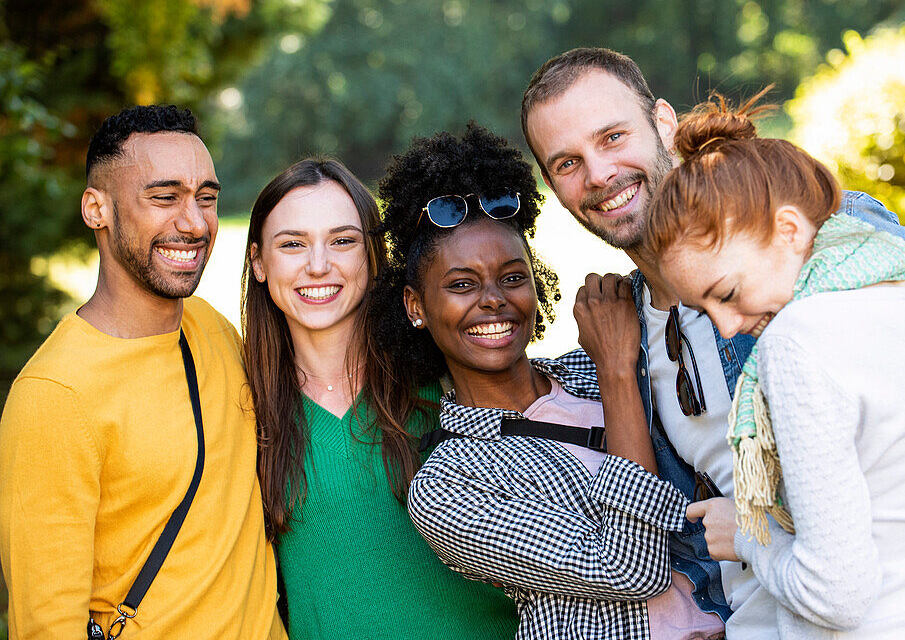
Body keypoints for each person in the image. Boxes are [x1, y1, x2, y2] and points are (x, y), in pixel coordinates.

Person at [520, 48, 905, 631]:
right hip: (761, 616)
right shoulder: (621, 324)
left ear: (661, 121)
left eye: (611, 137)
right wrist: (613, 367)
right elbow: (657, 523)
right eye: (566, 162)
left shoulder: (803, 234)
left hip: (886, 606)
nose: (599, 175)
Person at [645, 93, 905, 637]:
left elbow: (834, 598)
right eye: (705, 310)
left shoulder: (795, 344)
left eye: (728, 293)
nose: (726, 326)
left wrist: (748, 534)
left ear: (788, 230)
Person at [370, 123, 726, 639]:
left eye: (513, 277)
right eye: (461, 285)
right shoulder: (450, 485)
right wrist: (617, 373)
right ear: (415, 306)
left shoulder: (587, 368)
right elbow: (630, 570)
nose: (493, 299)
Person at [0, 105, 285, 638]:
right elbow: (45, 622)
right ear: (96, 209)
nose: (195, 222)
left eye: (206, 198)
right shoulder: (54, 395)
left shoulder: (213, 330)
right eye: (164, 197)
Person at [241, 158, 517, 639]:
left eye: (343, 240)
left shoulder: (446, 377)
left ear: (373, 255)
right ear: (259, 262)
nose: (319, 265)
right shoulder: (243, 402)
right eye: (292, 245)